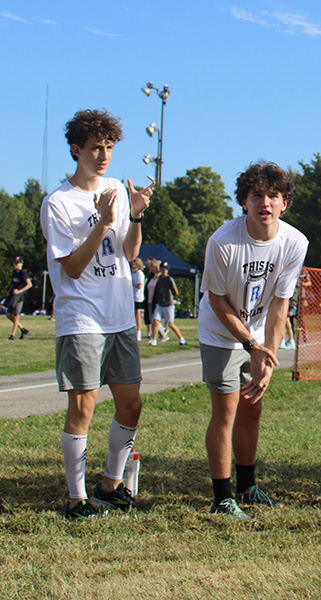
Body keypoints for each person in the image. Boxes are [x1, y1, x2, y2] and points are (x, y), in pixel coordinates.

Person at [40, 108, 154, 520]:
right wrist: (102, 223)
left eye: (108, 147)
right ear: (76, 150)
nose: (103, 156)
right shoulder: (58, 203)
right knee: (83, 408)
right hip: (82, 317)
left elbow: (131, 252)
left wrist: (135, 213)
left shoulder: (115, 190)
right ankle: (76, 499)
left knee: (131, 405)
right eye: (95, 148)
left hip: (120, 315)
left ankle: (110, 484)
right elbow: (70, 267)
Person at [198, 161, 308, 519]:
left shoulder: (295, 242)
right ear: (243, 201)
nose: (265, 203)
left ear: (284, 203)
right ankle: (222, 497)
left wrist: (268, 357)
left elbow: (280, 304)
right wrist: (249, 344)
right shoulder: (223, 242)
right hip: (220, 331)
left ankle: (247, 488)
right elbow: (216, 300)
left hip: (258, 336)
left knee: (253, 408)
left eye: (273, 196)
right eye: (257, 195)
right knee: (226, 411)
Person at [149, 262, 186, 346]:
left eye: (165, 269)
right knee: (155, 321)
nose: (164, 271)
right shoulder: (159, 279)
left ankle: (181, 338)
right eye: (162, 269)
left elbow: (175, 292)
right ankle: (154, 340)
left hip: (168, 304)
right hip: (160, 303)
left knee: (170, 324)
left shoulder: (169, 279)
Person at [5, 256, 32, 340]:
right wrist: (9, 291)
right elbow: (14, 284)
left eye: (17, 263)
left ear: (21, 263)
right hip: (13, 296)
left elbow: (29, 284)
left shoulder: (23, 272)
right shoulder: (14, 272)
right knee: (9, 315)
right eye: (14, 263)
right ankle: (22, 329)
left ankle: (12, 335)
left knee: (16, 315)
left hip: (19, 297)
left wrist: (19, 291)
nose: (15, 264)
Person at [130, 258, 145, 341]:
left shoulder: (139, 273)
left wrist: (132, 284)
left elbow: (139, 286)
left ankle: (138, 333)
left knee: (137, 315)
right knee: (133, 315)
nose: (133, 265)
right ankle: (134, 332)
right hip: (132, 296)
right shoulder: (133, 273)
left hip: (138, 297)